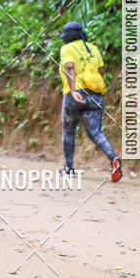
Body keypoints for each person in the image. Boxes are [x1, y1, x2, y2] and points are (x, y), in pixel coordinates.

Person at [58, 21, 122, 182]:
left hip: (75, 94)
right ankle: (113, 159)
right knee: (95, 132)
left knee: (69, 130)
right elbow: (100, 70)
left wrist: (72, 90)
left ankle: (69, 168)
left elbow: (69, 67)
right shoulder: (93, 48)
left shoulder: (66, 49)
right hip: (95, 95)